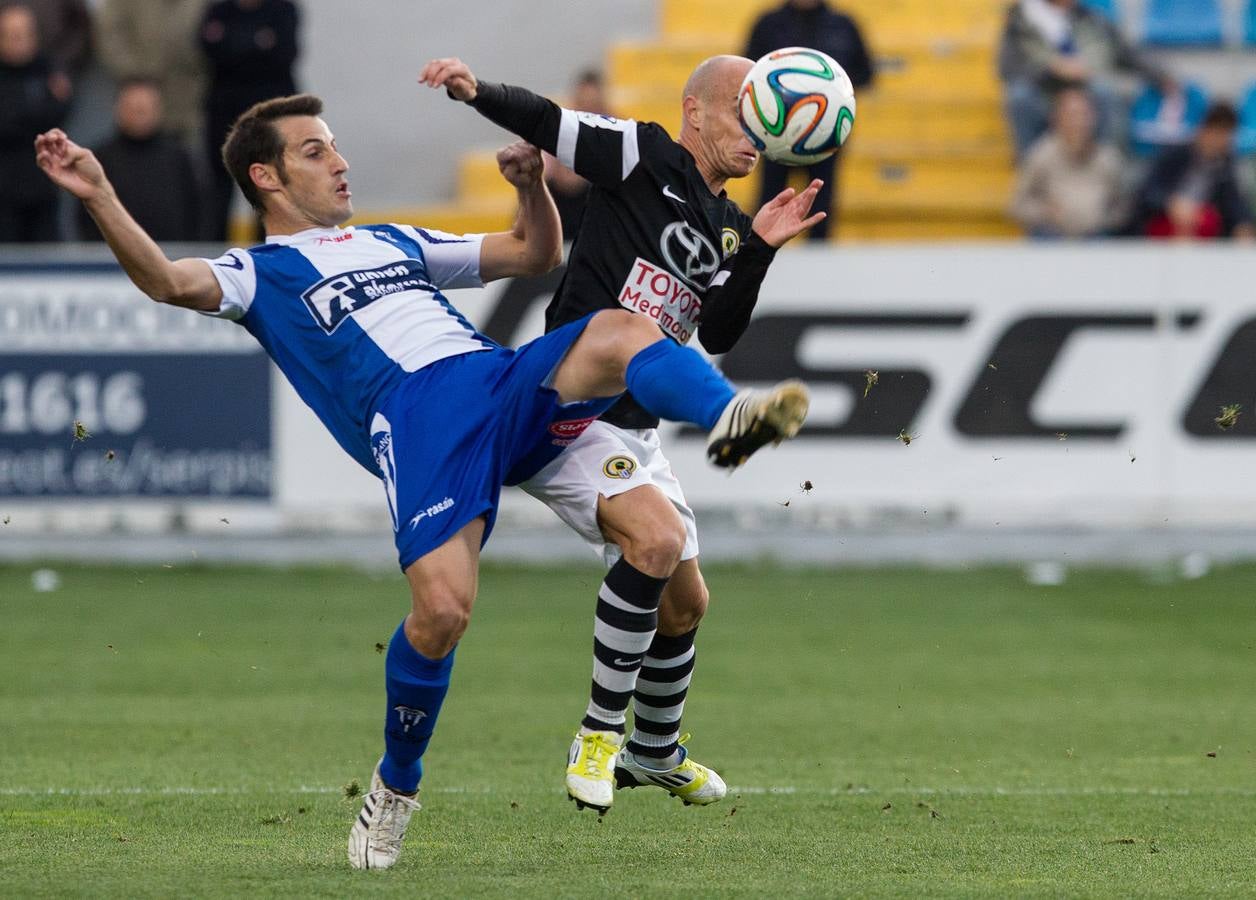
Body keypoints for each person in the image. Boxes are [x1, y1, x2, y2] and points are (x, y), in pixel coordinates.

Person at [35, 92, 809, 870]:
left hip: (498, 381)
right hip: (420, 424)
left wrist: (530, 188)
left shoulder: (389, 239)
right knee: (442, 613)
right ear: (264, 176)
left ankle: (729, 411)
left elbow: (531, 255)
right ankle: (395, 786)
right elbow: (168, 281)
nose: (339, 163)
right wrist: (101, 193)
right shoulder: (255, 273)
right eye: (315, 152)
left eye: (335, 146)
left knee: (619, 331)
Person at [421, 54, 824, 814]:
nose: (758, 135)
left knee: (685, 604)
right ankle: (600, 733)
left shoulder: (727, 224)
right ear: (694, 112)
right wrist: (477, 92)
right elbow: (550, 122)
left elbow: (717, 330)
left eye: (765, 123)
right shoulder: (640, 154)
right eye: (744, 114)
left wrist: (762, 248)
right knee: (657, 542)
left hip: (635, 431)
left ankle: (654, 750)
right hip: (571, 407)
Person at [744, 0, 874, 241]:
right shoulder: (768, 23)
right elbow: (748, 72)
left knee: (821, 205)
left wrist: (832, 92)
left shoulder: (844, 24)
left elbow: (866, 73)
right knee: (769, 199)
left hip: (825, 135)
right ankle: (756, 254)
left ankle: (819, 263)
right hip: (774, 132)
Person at [998, 0, 1170, 160]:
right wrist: (1052, 69)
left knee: (1106, 93)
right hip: (1044, 93)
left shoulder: (1093, 18)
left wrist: (1162, 76)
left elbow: (1128, 55)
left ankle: (1104, 167)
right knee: (1020, 97)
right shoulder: (1020, 21)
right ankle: (1032, 168)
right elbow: (1007, 69)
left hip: (1087, 91)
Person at [200, 0, 299, 240]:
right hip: (224, 113)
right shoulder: (217, 10)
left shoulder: (283, 10)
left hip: (271, 115)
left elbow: (284, 54)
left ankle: (269, 248)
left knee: (271, 182)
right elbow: (206, 50)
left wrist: (232, 42)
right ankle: (215, 254)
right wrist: (255, 42)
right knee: (219, 187)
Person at [77, 78, 202, 242]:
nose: (139, 115)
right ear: (118, 109)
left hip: (175, 257)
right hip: (112, 259)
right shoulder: (99, 159)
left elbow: (198, 209)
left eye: (144, 109)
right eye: (133, 109)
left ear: (158, 110)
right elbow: (86, 214)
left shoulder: (178, 156)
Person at [1010, 86, 1127, 239]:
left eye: (1083, 114)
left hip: (1095, 236)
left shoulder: (1108, 158)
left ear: (1094, 117)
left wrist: (1103, 216)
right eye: (1071, 114)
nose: (1078, 121)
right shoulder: (1041, 155)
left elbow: (1123, 206)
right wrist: (1044, 211)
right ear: (1057, 118)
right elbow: (1017, 205)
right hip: (1052, 235)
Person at [1129, 102, 1256, 241]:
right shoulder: (1176, 154)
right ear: (1204, 129)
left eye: (1227, 135)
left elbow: (1233, 201)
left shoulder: (1224, 163)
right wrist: (1170, 203)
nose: (1221, 141)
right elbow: (1148, 191)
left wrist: (1243, 223)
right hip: (1162, 222)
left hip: (1201, 227)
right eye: (1218, 133)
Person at [0, 1, 70, 242]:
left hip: (43, 190)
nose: (17, 41)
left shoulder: (51, 70)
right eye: (10, 35)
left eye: (23, 34)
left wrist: (16, 117)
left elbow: (60, 111)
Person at [96, 0, 209, 149]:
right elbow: (110, 35)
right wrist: (137, 77)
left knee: (185, 153)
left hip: (189, 97)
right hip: (136, 92)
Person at [543, 68, 611, 241]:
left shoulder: (616, 138)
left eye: (593, 109)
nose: (588, 116)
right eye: (582, 106)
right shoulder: (557, 132)